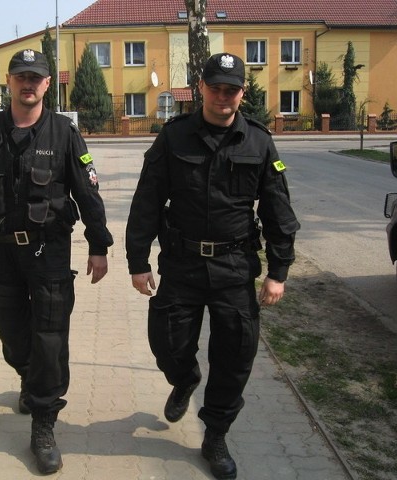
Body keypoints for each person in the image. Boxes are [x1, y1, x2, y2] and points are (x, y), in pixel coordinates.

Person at [0, 49, 113, 475]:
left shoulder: (64, 134)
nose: (28, 84)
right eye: (21, 77)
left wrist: (98, 244)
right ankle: (29, 377)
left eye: (36, 77)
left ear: (47, 84)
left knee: (50, 337)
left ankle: (43, 423)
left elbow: (88, 193)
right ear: (10, 83)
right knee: (14, 335)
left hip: (48, 251)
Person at [125, 52, 300, 480]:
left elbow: (278, 210)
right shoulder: (174, 136)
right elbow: (147, 200)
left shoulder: (259, 141)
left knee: (236, 354)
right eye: (215, 87)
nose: (223, 96)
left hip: (234, 268)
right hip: (182, 263)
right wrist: (137, 260)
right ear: (201, 87)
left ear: (243, 92)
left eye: (231, 89)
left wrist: (278, 271)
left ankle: (216, 433)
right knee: (167, 342)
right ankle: (184, 379)